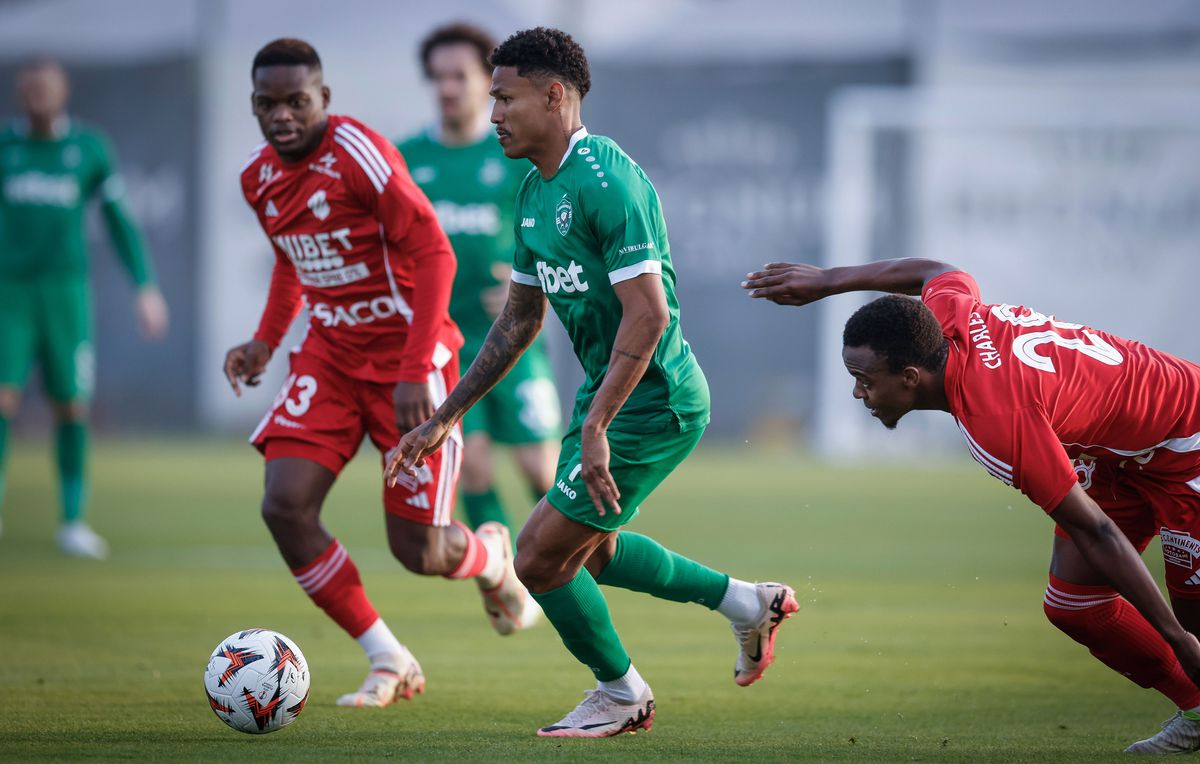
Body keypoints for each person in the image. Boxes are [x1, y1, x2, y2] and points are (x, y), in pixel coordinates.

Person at [388, 27, 798, 738]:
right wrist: (446, 417)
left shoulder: (608, 180)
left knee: (538, 557)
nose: (494, 115)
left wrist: (599, 425)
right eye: (492, 99)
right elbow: (517, 322)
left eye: (506, 99)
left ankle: (621, 694)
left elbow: (649, 315)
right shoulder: (531, 191)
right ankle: (745, 602)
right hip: (607, 395)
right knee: (593, 551)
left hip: (656, 399)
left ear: (555, 96)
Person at [743, 257, 1200, 754]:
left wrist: (1176, 638)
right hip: (1119, 454)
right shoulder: (947, 316)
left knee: (1194, 629)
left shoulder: (996, 418)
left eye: (865, 379)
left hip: (1188, 439)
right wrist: (830, 282)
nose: (858, 392)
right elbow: (936, 271)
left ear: (912, 377)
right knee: (1075, 606)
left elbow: (1098, 533)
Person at [223, 38, 533, 709]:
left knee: (418, 551)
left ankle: (491, 558)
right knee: (283, 504)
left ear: (323, 100)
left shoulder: (357, 154)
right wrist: (265, 342)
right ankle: (388, 656)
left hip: (410, 361)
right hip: (331, 360)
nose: (282, 115)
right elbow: (291, 260)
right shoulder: (258, 178)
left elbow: (434, 250)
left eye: (296, 101)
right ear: (253, 106)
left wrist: (417, 365)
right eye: (267, 103)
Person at [397, 23, 561, 564]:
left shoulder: (514, 156)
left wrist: (530, 285)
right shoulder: (406, 160)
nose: (448, 87)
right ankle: (512, 577)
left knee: (543, 469)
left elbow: (553, 236)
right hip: (444, 341)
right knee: (474, 467)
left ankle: (572, 565)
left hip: (513, 338)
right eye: (438, 77)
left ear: (485, 84)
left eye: (460, 76)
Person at [0, 57, 169, 559]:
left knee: (71, 404)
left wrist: (145, 286)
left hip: (66, 293)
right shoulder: (6, 147)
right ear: (19, 93)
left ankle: (72, 520)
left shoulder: (88, 149)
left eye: (46, 87)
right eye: (30, 88)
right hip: (9, 292)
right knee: (3, 400)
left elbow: (119, 220)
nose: (38, 96)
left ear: (64, 91)